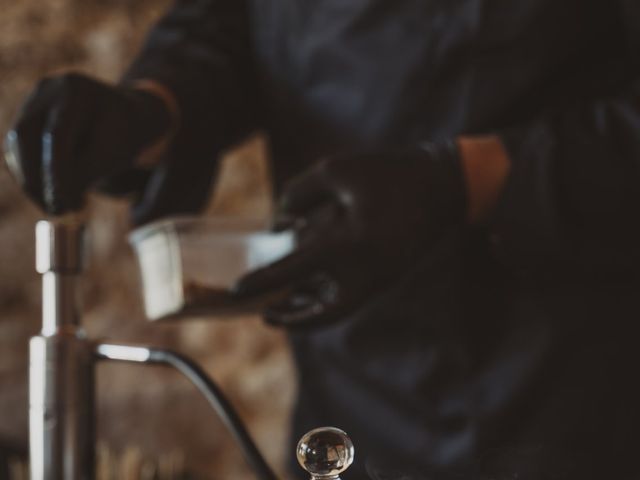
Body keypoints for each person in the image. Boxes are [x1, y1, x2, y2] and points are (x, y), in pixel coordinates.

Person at [5, 1, 640, 478]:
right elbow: (232, 22)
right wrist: (150, 107)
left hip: (566, 392)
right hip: (350, 390)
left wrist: (459, 181)